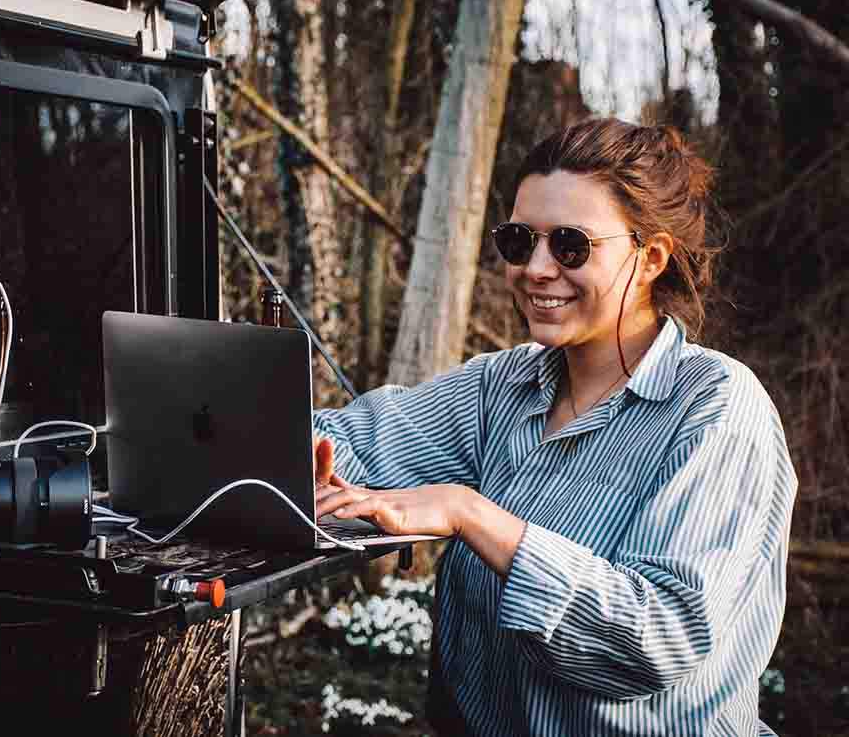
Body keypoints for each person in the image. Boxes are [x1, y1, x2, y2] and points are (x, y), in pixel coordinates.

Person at [312, 117, 796, 736]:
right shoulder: (499, 388)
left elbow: (660, 638)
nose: (536, 268)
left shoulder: (718, 408)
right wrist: (292, 456)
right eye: (519, 241)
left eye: (570, 245)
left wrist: (472, 514)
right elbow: (356, 443)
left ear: (650, 258)